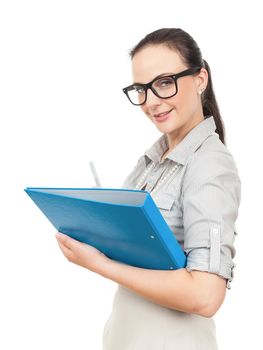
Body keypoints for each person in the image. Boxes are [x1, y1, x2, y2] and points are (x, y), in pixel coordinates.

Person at [56, 28, 241, 349]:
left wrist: (99, 263)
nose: (151, 101)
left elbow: (205, 296)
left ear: (200, 79)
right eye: (141, 89)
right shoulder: (153, 160)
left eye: (164, 83)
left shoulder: (210, 164)